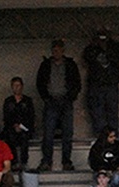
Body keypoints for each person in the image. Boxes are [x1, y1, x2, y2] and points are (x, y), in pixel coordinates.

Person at [35, 39, 82, 172]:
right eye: (54, 50)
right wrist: (46, 98)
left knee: (67, 133)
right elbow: (40, 83)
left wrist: (71, 97)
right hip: (51, 101)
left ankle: (66, 161)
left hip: (66, 101)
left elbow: (77, 83)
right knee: (48, 133)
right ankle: (46, 161)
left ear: (63, 51)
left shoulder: (70, 64)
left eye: (58, 50)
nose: (56, 52)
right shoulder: (45, 65)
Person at [82, 29, 119, 135]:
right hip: (96, 85)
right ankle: (100, 135)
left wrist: (107, 49)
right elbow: (87, 57)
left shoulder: (115, 47)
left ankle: (113, 134)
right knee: (97, 112)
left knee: (112, 110)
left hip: (111, 84)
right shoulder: (92, 48)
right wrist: (95, 46)